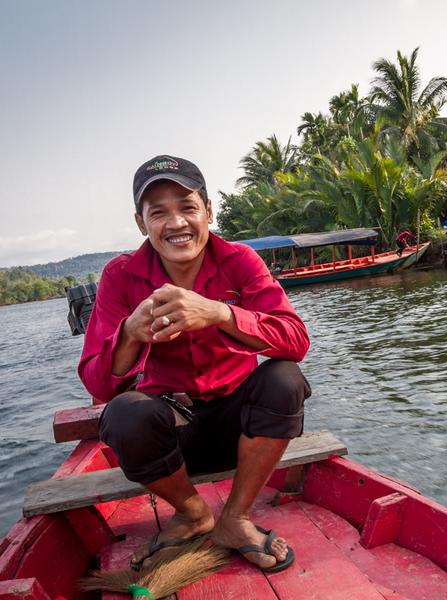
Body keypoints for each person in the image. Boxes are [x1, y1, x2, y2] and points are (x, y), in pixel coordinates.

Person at [78, 155, 311, 574]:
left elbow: (296, 341)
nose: (177, 223)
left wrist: (221, 314)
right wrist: (130, 333)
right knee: (125, 414)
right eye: (159, 213)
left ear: (208, 210)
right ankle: (191, 512)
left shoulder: (239, 260)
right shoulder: (119, 277)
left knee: (284, 379)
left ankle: (235, 518)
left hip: (241, 436)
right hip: (171, 445)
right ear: (140, 223)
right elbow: (98, 385)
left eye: (187, 207)